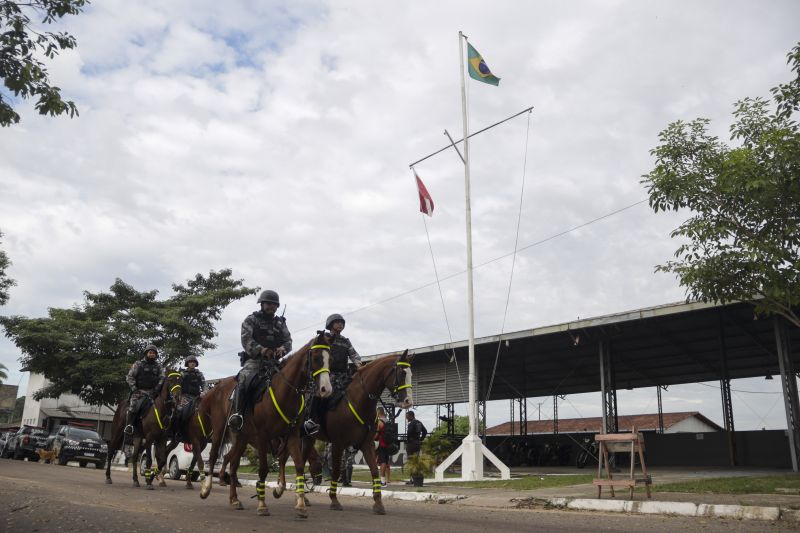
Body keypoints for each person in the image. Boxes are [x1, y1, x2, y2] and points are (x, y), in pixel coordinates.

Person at [228, 289, 291, 431]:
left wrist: (283, 349)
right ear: (262, 304)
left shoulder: (280, 323)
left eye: (274, 304)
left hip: (274, 363)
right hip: (254, 362)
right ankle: (237, 414)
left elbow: (288, 341)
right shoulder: (251, 319)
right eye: (268, 303)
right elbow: (246, 339)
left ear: (277, 306)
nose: (271, 306)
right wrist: (261, 349)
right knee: (243, 380)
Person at [303, 313, 361, 436]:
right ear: (330, 324)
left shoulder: (346, 341)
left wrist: (359, 364)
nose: (340, 324)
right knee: (320, 394)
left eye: (342, 323)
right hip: (326, 374)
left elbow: (354, 355)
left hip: (343, 375)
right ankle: (311, 420)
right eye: (337, 322)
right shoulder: (323, 338)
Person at [124, 344, 165, 435]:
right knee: (134, 405)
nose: (152, 354)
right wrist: (134, 388)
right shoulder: (138, 364)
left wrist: (158, 387)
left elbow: (162, 377)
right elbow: (130, 376)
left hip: (153, 392)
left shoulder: (158, 366)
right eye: (150, 352)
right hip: (139, 391)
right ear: (146, 353)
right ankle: (130, 425)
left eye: (154, 353)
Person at [176, 355, 206, 432]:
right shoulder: (182, 373)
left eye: (194, 362)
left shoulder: (199, 374)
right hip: (184, 397)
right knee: (179, 412)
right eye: (190, 362)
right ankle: (178, 431)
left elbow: (204, 384)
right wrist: (180, 396)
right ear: (187, 363)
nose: (192, 363)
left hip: (196, 398)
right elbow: (178, 385)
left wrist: (204, 392)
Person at [404, 410, 427, 484]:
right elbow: (425, 431)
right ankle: (415, 477)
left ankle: (412, 479)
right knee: (416, 460)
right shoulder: (419, 422)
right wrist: (421, 439)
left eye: (407, 417)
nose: (407, 419)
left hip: (411, 444)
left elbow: (409, 433)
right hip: (417, 443)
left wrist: (408, 441)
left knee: (411, 461)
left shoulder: (411, 424)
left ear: (411, 416)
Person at [375, 407, 391, 486]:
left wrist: (373, 439)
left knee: (383, 462)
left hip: (382, 443)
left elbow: (377, 434)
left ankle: (383, 481)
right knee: (386, 462)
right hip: (388, 444)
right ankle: (386, 480)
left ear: (378, 412)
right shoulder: (388, 421)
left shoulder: (379, 422)